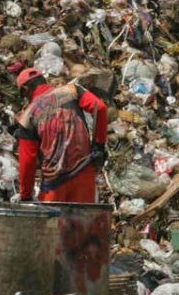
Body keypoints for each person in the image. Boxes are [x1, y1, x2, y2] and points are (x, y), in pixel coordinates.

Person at [15, 68, 109, 203]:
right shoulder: (71, 90)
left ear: (25, 90)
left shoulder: (27, 117)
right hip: (83, 171)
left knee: (54, 223)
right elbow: (100, 108)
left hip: (53, 183)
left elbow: (27, 161)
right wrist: (98, 146)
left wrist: (26, 196)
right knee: (85, 221)